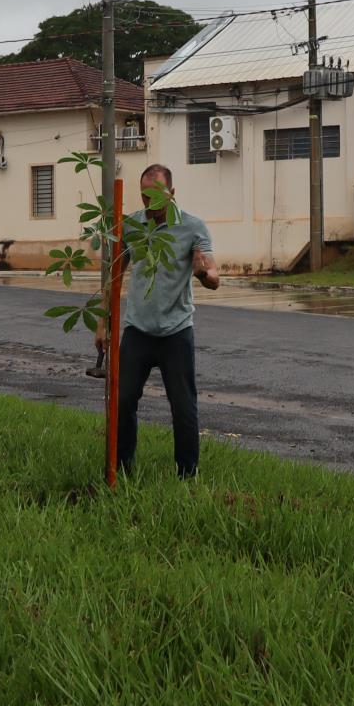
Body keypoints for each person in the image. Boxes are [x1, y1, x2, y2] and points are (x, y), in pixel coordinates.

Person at [95, 163, 220, 478]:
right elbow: (114, 277)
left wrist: (203, 272)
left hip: (176, 332)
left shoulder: (193, 227)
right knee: (122, 402)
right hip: (137, 331)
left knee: (183, 408)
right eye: (144, 197)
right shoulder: (131, 226)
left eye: (156, 197)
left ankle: (187, 475)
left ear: (172, 193)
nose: (150, 205)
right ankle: (122, 468)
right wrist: (102, 322)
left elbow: (215, 276)